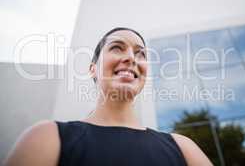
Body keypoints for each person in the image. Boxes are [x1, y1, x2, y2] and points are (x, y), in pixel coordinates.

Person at [4, 27, 213, 166]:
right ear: (92, 69)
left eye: (140, 53)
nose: (131, 58)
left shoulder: (184, 149)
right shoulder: (47, 138)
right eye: (116, 47)